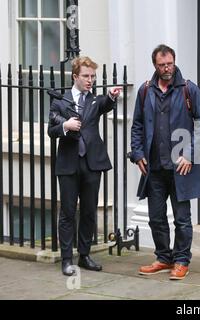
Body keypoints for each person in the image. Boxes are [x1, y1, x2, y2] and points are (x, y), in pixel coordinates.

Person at [130, 44, 200, 280]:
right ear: (155, 65)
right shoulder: (145, 90)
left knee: (182, 219)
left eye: (170, 63)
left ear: (174, 61)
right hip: (153, 167)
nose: (167, 69)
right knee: (156, 217)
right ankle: (164, 258)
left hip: (180, 167)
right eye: (162, 65)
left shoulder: (189, 90)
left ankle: (182, 260)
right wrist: (137, 153)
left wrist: (190, 154)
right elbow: (138, 125)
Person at [48, 56, 122, 276]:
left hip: (92, 163)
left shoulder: (94, 100)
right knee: (68, 212)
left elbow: (106, 104)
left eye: (92, 76)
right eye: (86, 76)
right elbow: (51, 131)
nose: (90, 80)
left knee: (89, 211)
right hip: (69, 164)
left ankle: (84, 255)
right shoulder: (60, 101)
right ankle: (66, 259)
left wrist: (111, 96)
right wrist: (65, 125)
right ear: (75, 77)